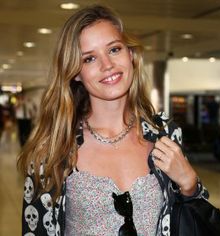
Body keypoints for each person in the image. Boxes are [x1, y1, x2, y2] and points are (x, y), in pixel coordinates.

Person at [17, 5, 208, 235]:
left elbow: (198, 219)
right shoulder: (53, 149)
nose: (107, 65)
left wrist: (189, 184)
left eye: (114, 49)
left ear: (130, 54)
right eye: (89, 59)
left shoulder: (164, 132)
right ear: (75, 72)